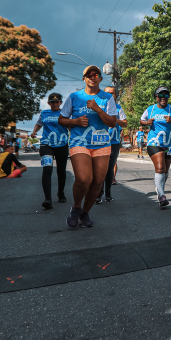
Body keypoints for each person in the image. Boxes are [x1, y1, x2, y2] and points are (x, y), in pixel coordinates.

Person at [58, 65, 118, 228]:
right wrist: (75, 122)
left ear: (100, 78)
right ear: (84, 78)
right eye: (88, 74)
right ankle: (76, 208)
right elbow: (61, 120)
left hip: (102, 143)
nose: (93, 76)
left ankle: (85, 213)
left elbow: (112, 122)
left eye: (96, 74)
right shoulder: (74, 97)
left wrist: (98, 109)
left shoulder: (107, 98)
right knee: (84, 178)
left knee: (98, 182)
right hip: (80, 142)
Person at [140, 86, 171, 207]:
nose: (163, 98)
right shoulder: (150, 109)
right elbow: (141, 120)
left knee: (165, 170)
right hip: (154, 142)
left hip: (170, 143)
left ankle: (159, 188)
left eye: (166, 96)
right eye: (160, 96)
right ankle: (161, 195)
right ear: (156, 97)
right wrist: (147, 123)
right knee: (160, 168)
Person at [32, 92, 70, 209]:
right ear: (48, 103)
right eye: (52, 102)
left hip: (62, 145)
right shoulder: (44, 113)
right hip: (46, 145)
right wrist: (34, 131)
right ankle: (48, 199)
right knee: (47, 169)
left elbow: (70, 126)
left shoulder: (65, 113)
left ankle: (61, 192)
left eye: (57, 101)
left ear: (60, 103)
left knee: (61, 171)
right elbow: (39, 124)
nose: (55, 104)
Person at [97, 86, 127, 204]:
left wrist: (115, 120)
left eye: (112, 93)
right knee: (99, 169)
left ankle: (108, 192)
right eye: (107, 92)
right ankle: (98, 193)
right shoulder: (99, 107)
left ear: (115, 95)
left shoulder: (118, 108)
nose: (110, 95)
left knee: (109, 168)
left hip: (114, 142)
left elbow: (124, 123)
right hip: (99, 142)